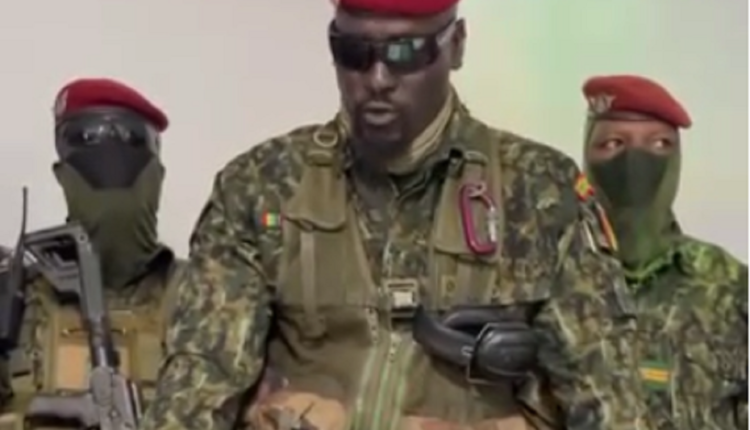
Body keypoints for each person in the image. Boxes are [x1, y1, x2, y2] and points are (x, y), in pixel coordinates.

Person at [142, 1, 653, 429]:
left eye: (405, 53)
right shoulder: (263, 186)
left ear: (456, 46)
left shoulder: (540, 194)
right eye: (353, 53)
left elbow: (610, 401)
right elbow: (198, 385)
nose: (378, 78)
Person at [0, 78, 185, 428]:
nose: (111, 182)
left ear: (158, 177)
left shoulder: (209, 296)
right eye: (92, 157)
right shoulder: (14, 300)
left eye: (130, 149)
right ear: (62, 177)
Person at [580, 74, 748, 429]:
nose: (634, 163)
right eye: (612, 144)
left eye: (658, 144)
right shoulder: (545, 280)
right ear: (586, 158)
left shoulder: (731, 288)